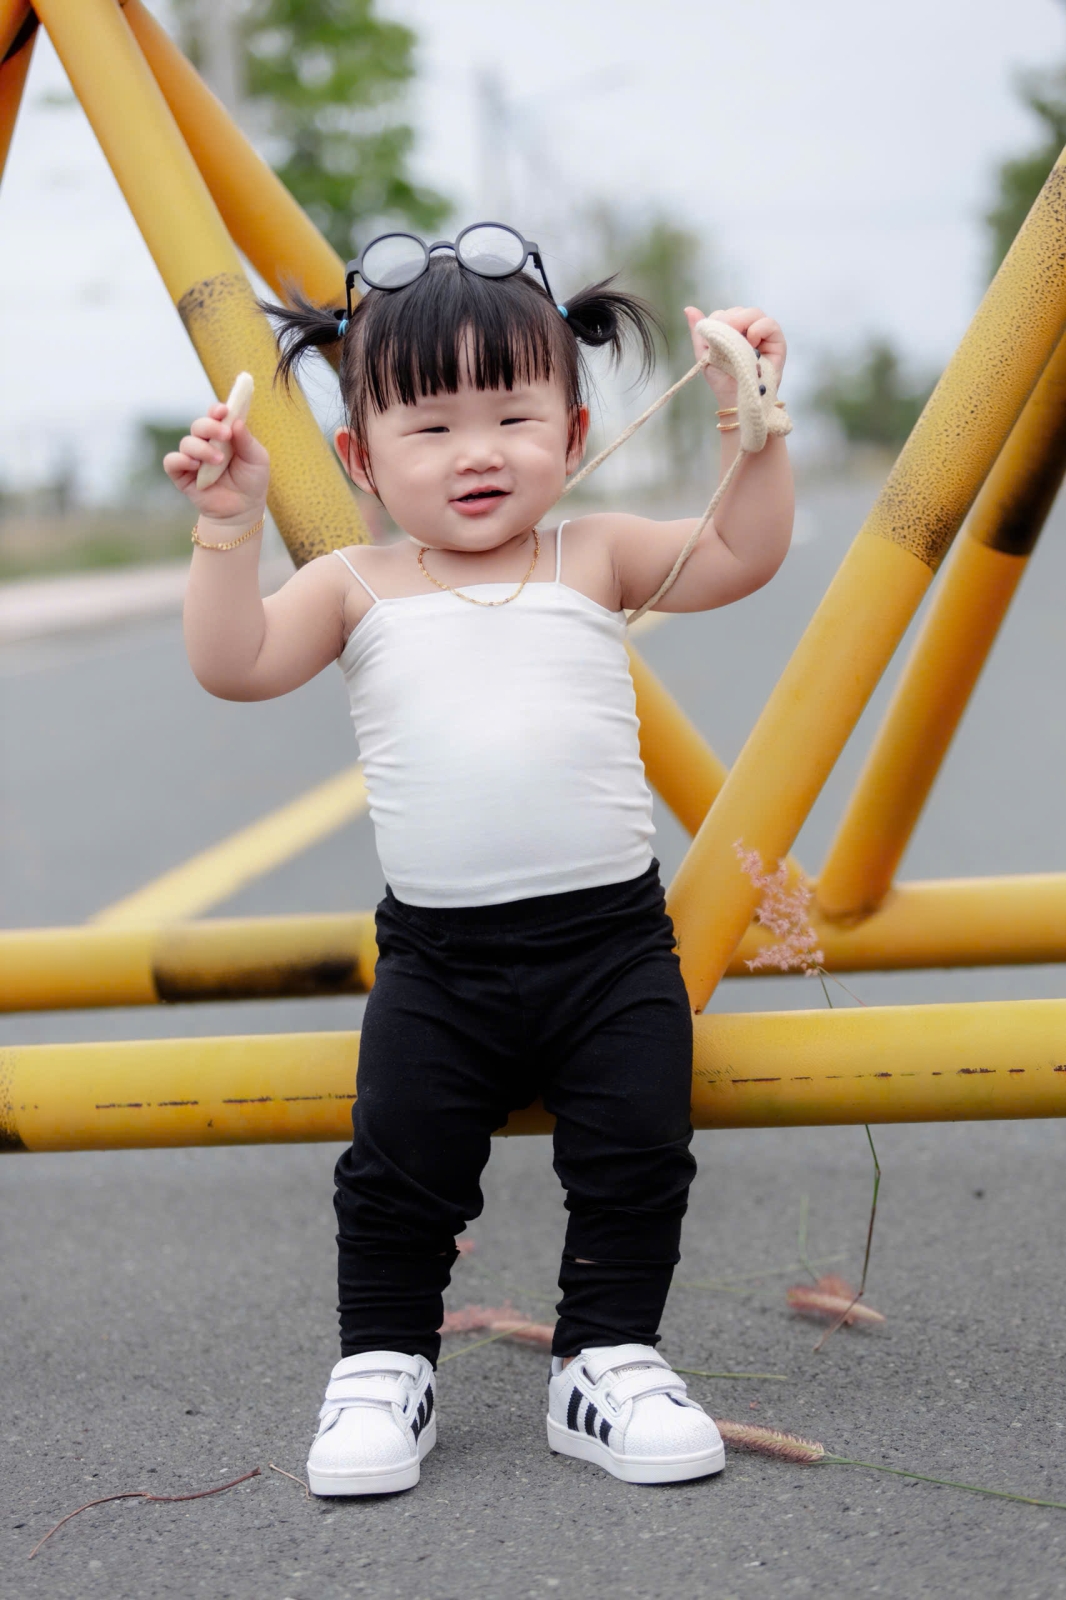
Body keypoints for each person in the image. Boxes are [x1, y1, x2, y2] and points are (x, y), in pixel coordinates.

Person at [165, 222, 794, 1497]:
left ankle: (606, 1357)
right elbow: (234, 665)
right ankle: (382, 1363)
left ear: (573, 432)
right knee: (397, 1169)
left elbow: (741, 555)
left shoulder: (593, 551)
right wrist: (227, 529)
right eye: (432, 426)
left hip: (611, 946)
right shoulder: (353, 584)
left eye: (513, 417)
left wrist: (753, 422)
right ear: (360, 456)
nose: (477, 452)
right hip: (439, 962)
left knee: (636, 1153)